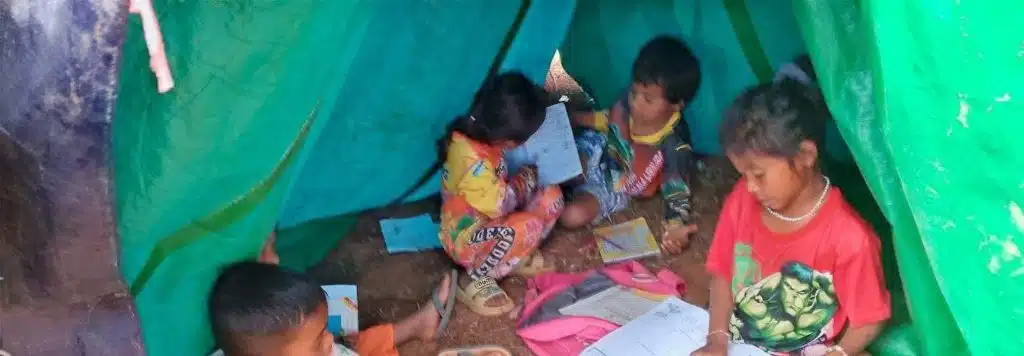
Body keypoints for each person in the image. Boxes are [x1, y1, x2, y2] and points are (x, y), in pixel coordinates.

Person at [691, 81, 890, 356]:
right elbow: (723, 272)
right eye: (742, 175)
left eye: (758, 174)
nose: (749, 187)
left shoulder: (850, 238)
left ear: (806, 155)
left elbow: (870, 319)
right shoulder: (742, 200)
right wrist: (716, 341)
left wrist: (841, 352)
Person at [437, 72, 564, 316]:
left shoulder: (484, 137)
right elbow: (500, 205)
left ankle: (510, 258)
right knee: (528, 226)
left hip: (490, 219)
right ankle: (473, 277)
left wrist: (524, 181)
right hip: (465, 237)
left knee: (552, 196)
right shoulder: (475, 163)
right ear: (509, 141)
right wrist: (525, 179)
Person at [561, 35, 701, 251]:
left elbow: (677, 190)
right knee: (564, 170)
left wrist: (675, 226)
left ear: (677, 104)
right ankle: (546, 190)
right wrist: (578, 118)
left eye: (647, 99)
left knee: (571, 216)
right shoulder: (630, 102)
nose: (635, 103)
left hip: (615, 184)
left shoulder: (675, 144)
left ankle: (556, 194)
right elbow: (610, 118)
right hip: (598, 147)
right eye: (634, 92)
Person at [208, 261, 455, 356]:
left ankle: (417, 327)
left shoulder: (254, 344)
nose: (329, 339)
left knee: (353, 341)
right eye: (318, 341)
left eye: (326, 330)